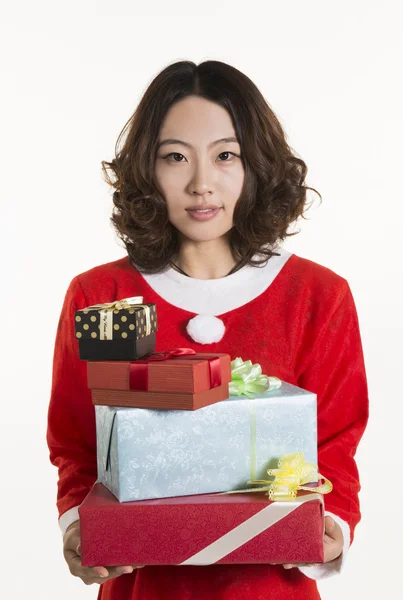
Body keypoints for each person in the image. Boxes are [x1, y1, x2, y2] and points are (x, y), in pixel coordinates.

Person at [47, 60, 369, 600]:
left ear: (257, 165)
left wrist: (329, 524)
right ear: (146, 169)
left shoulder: (316, 296)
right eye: (175, 157)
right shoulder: (102, 296)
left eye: (226, 156)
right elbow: (77, 443)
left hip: (272, 589)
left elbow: (336, 440)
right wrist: (81, 527)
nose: (201, 184)